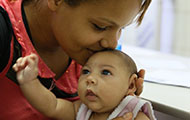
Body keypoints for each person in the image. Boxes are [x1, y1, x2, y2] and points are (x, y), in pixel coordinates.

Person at [0, 0, 151, 119]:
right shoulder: (4, 30)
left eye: (121, 29)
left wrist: (116, 102)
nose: (112, 43)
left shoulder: (95, 52)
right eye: (100, 27)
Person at [13, 50, 156, 120]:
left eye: (105, 72)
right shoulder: (82, 110)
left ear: (131, 85)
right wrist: (29, 81)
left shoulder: (134, 113)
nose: (90, 79)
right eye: (86, 71)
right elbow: (51, 106)